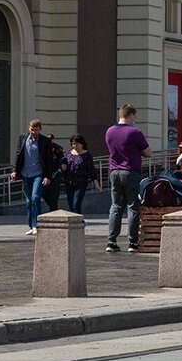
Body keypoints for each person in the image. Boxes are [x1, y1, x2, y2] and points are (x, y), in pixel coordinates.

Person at [104, 104, 151, 253]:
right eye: (134, 117)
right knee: (133, 206)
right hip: (130, 171)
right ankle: (133, 242)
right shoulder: (135, 132)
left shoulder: (109, 131)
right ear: (131, 115)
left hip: (114, 171)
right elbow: (148, 152)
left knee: (116, 206)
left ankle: (111, 241)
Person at [11, 119, 54, 235]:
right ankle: (31, 225)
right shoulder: (23, 138)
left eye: (36, 130)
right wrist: (14, 171)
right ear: (28, 128)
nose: (33, 132)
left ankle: (37, 224)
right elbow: (18, 154)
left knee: (35, 197)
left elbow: (49, 160)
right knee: (29, 201)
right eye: (31, 129)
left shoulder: (45, 141)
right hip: (25, 173)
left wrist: (48, 176)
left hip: (38, 174)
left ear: (40, 129)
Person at [61, 134, 99, 214]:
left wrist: (96, 184)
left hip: (81, 182)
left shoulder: (87, 156)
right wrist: (63, 166)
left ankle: (78, 221)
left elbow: (91, 170)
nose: (75, 145)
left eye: (77, 143)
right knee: (71, 205)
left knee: (76, 203)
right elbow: (62, 164)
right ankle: (75, 221)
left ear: (82, 144)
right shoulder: (68, 154)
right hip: (69, 182)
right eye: (73, 143)